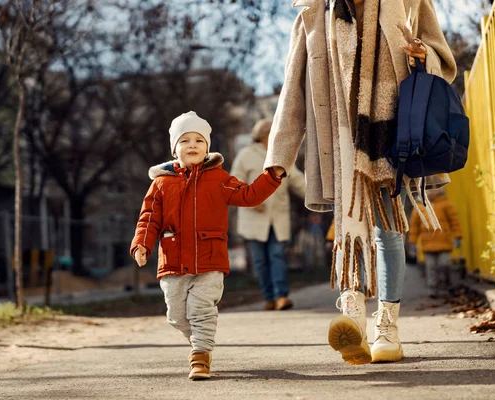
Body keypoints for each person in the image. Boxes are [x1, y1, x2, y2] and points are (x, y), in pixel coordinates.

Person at [264, 0, 456, 365]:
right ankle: (352, 316)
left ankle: (387, 327)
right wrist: (279, 156)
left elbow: (444, 60)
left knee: (387, 231)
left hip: (393, 135)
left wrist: (422, 55)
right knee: (349, 232)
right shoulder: (312, 11)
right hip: (340, 145)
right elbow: (294, 87)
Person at [130, 111, 282, 380]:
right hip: (173, 261)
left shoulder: (219, 178)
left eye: (199, 141)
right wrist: (142, 245)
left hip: (210, 259)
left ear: (207, 148)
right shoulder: (161, 183)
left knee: (201, 309)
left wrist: (272, 176)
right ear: (174, 148)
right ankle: (199, 339)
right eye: (185, 140)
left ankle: (200, 355)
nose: (192, 145)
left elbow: (248, 196)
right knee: (176, 316)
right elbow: (149, 218)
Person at [231, 119, 306, 311]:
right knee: (260, 260)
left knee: (277, 255)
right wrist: (249, 200)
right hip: (254, 217)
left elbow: (296, 179)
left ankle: (281, 296)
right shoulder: (245, 155)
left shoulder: (282, 154)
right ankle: (269, 297)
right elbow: (235, 181)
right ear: (264, 135)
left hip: (277, 216)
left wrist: (317, 196)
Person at [409, 189, 462, 298]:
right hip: (427, 245)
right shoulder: (419, 207)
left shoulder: (445, 204)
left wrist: (457, 236)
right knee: (431, 267)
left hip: (444, 243)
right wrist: (412, 243)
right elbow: (414, 227)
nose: (430, 192)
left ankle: (446, 283)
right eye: (427, 189)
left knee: (445, 264)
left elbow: (454, 221)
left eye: (433, 189)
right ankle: (432, 288)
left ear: (439, 190)